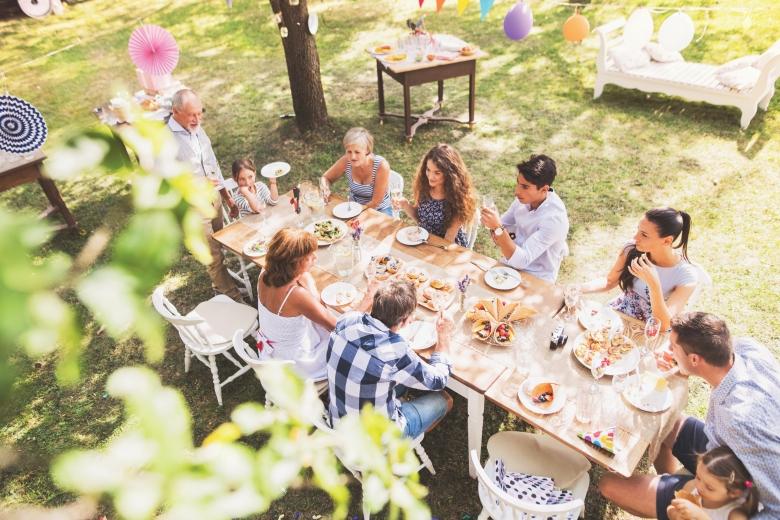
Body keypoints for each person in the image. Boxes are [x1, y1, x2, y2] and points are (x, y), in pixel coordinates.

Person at [599, 312, 780, 520]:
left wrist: (703, 516)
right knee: (665, 420)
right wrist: (683, 366)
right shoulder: (749, 349)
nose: (668, 351)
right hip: (722, 451)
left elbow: (776, 510)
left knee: (608, 484)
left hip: (733, 492)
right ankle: (674, 482)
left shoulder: (740, 422)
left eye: (672, 347)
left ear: (695, 358)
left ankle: (677, 503)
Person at [327, 280, 454, 438]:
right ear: (403, 321)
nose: (413, 319)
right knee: (444, 398)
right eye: (411, 316)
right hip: (373, 443)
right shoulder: (396, 351)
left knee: (398, 379)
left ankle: (400, 403)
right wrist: (444, 335)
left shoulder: (346, 321)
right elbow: (439, 380)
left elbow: (357, 316)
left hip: (338, 426)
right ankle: (409, 433)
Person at [257, 228, 374, 381]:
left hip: (275, 352)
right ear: (295, 263)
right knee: (357, 338)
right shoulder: (295, 295)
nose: (315, 257)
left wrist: (306, 279)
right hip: (297, 365)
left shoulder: (265, 273)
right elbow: (340, 328)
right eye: (310, 256)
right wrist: (368, 299)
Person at [167, 88, 242, 301]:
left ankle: (221, 283)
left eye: (200, 113)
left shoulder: (198, 129)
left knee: (221, 244)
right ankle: (231, 296)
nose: (197, 119)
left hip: (213, 198)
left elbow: (212, 164)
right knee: (213, 256)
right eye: (192, 114)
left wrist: (226, 196)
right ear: (175, 111)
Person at [580, 207, 697, 331]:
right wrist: (577, 288)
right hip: (617, 315)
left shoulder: (686, 276)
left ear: (667, 240)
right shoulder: (632, 249)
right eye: (638, 230)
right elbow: (609, 282)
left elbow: (664, 325)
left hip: (650, 331)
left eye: (644, 235)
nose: (635, 237)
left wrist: (654, 284)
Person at [479, 154, 569, 283]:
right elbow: (502, 225)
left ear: (544, 189)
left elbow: (521, 260)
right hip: (510, 264)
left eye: (525, 187)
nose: (517, 191)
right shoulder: (523, 199)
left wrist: (498, 229)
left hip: (537, 278)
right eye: (518, 184)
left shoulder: (554, 220)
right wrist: (495, 228)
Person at [392, 143, 477, 248]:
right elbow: (421, 218)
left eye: (437, 173)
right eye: (428, 170)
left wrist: (427, 249)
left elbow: (448, 239)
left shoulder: (457, 199)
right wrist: (405, 205)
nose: (430, 177)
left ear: (450, 174)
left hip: (446, 247)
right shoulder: (425, 187)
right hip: (423, 240)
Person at [667, 446, 758, 520]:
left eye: (709, 488)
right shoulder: (694, 491)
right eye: (698, 477)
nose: (699, 486)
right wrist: (674, 514)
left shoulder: (735, 514)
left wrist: (700, 516)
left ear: (734, 493)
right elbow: (671, 507)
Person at [320, 127, 393, 216]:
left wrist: (355, 214)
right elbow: (326, 177)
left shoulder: (381, 166)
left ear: (367, 150)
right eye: (349, 152)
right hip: (353, 208)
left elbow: (375, 202)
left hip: (379, 210)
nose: (352, 157)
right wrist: (325, 188)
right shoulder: (346, 161)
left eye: (357, 152)